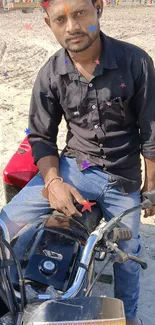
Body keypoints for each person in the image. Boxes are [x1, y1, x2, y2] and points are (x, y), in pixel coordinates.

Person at [0, 0, 155, 323]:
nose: (72, 26)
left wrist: (151, 185)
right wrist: (54, 182)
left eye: (81, 13)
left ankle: (131, 317)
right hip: (74, 168)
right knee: (4, 226)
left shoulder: (135, 62)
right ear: (48, 24)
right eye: (60, 19)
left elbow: (150, 129)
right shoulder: (51, 74)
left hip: (122, 178)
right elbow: (41, 137)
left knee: (128, 258)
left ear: (99, 9)